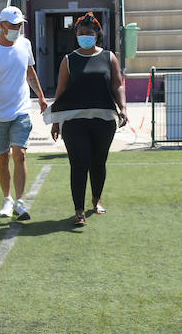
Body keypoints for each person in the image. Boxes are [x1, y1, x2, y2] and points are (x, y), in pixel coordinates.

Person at [46, 13, 127, 225]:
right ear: (76, 35)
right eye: (81, 33)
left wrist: (123, 107)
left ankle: (97, 198)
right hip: (74, 121)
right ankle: (79, 210)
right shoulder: (69, 60)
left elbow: (117, 84)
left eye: (89, 33)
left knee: (99, 163)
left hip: (104, 120)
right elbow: (61, 91)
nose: (85, 36)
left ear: (97, 35)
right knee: (79, 163)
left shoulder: (109, 57)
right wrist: (56, 120)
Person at [0, 6, 48, 220]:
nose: (17, 29)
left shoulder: (25, 44)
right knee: (2, 158)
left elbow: (30, 72)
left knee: (20, 153)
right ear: (2, 25)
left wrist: (42, 97)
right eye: (13, 25)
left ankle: (19, 201)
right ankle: (7, 198)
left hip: (21, 111)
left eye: (20, 25)